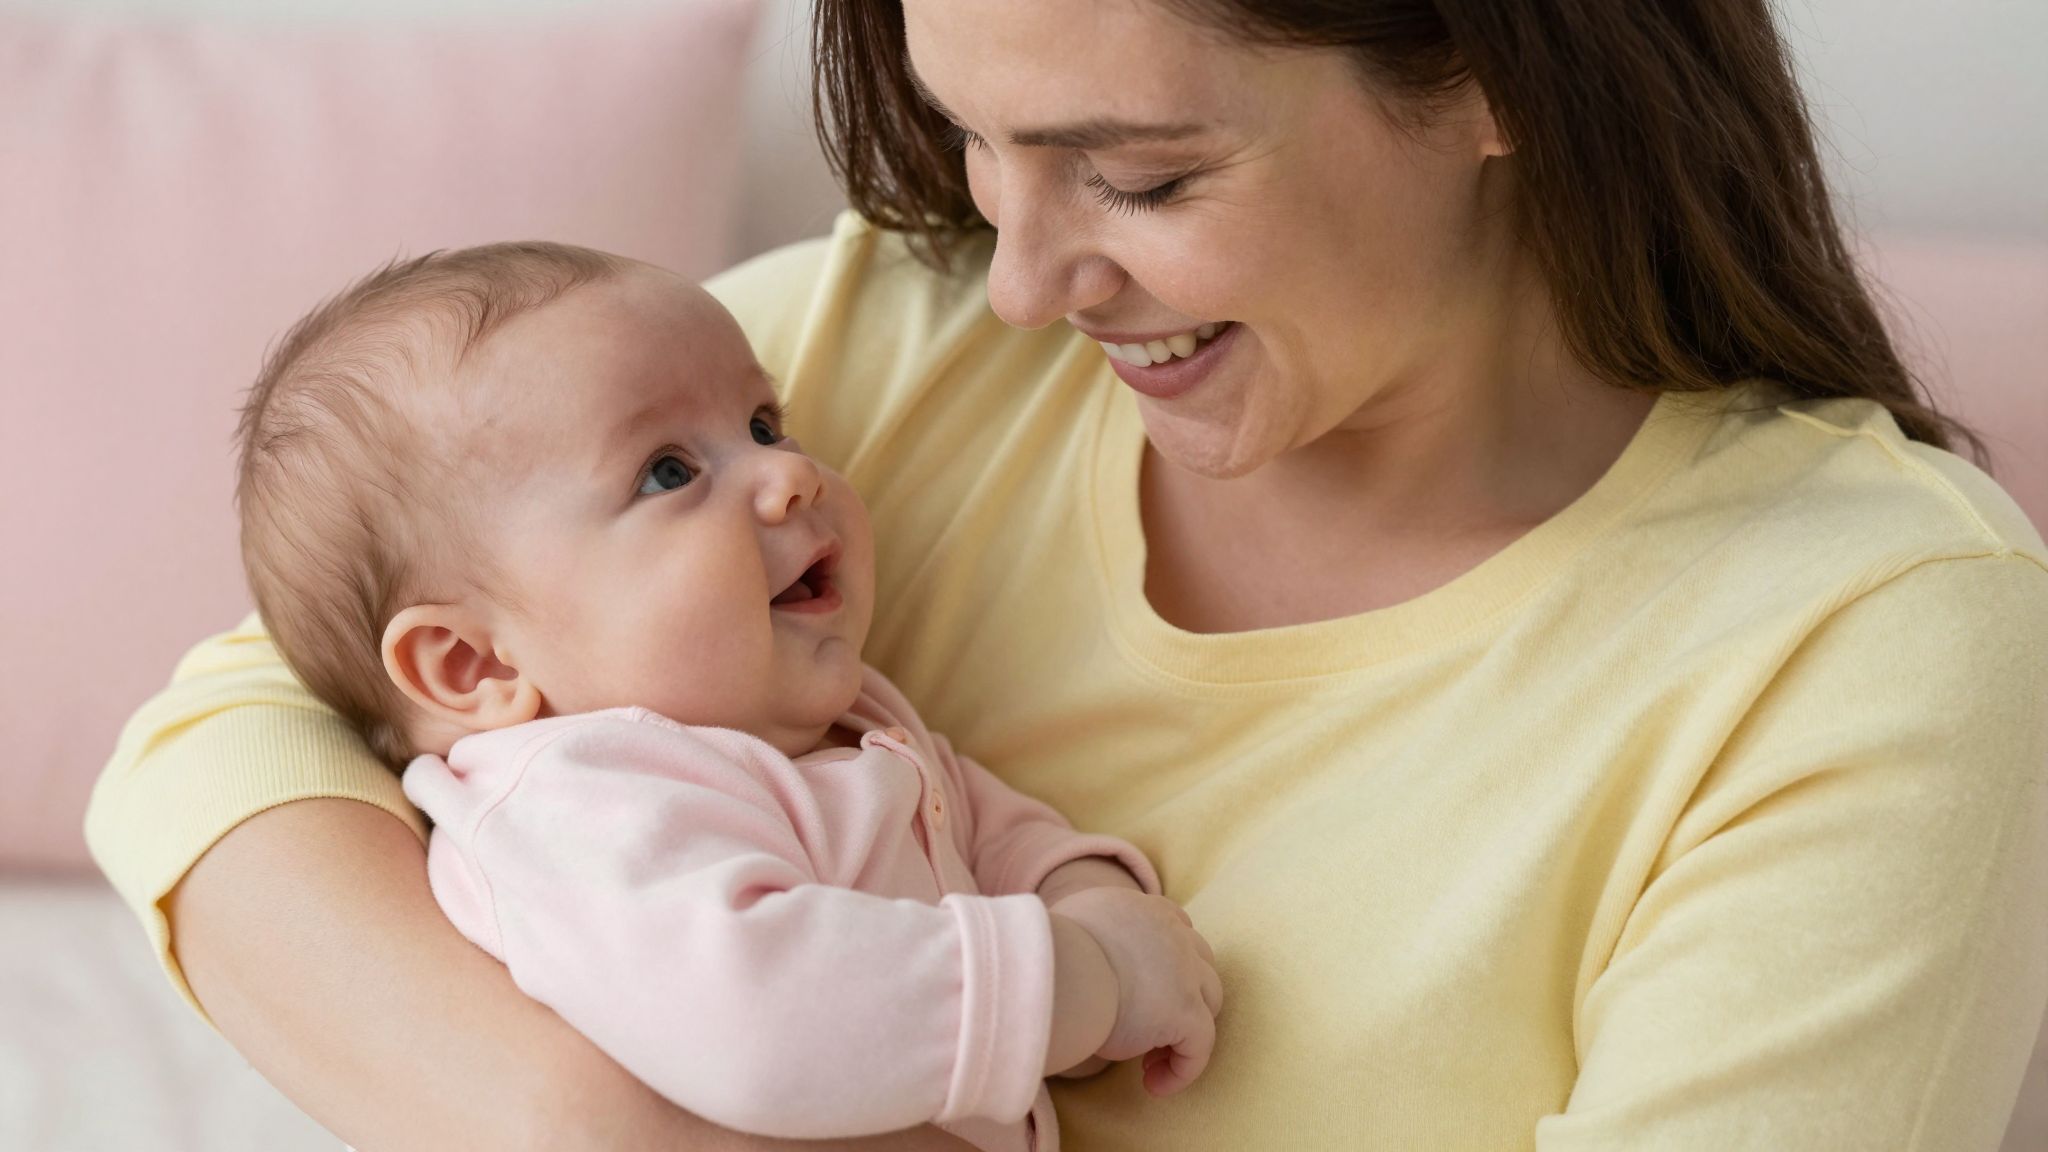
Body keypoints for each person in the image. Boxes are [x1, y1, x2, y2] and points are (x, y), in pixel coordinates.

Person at [88, 0, 2048, 1149]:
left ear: (1482, 68)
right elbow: (238, 719)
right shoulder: (885, 348)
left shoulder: (1865, 643)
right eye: (972, 148)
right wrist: (584, 1120)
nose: (1021, 281)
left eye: (1138, 178)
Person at [226, 241, 1225, 1152]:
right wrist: (1082, 983)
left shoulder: (840, 727)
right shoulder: (577, 803)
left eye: (761, 423)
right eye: (666, 472)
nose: (789, 475)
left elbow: (985, 831)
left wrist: (1089, 901)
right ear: (473, 667)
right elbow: (764, 1021)